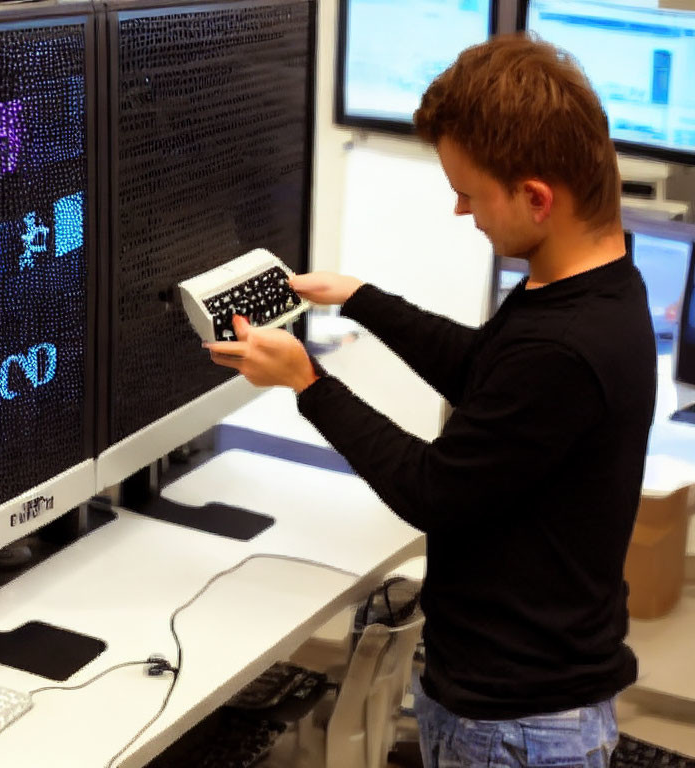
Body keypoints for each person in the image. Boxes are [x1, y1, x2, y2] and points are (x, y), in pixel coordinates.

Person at [205, 33, 657, 767]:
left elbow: (435, 489)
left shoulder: (565, 347)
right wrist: (361, 299)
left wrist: (306, 384)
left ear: (537, 198)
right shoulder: (587, 284)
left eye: (471, 193)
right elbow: (487, 371)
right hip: (516, 695)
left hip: (519, 722)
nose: (459, 209)